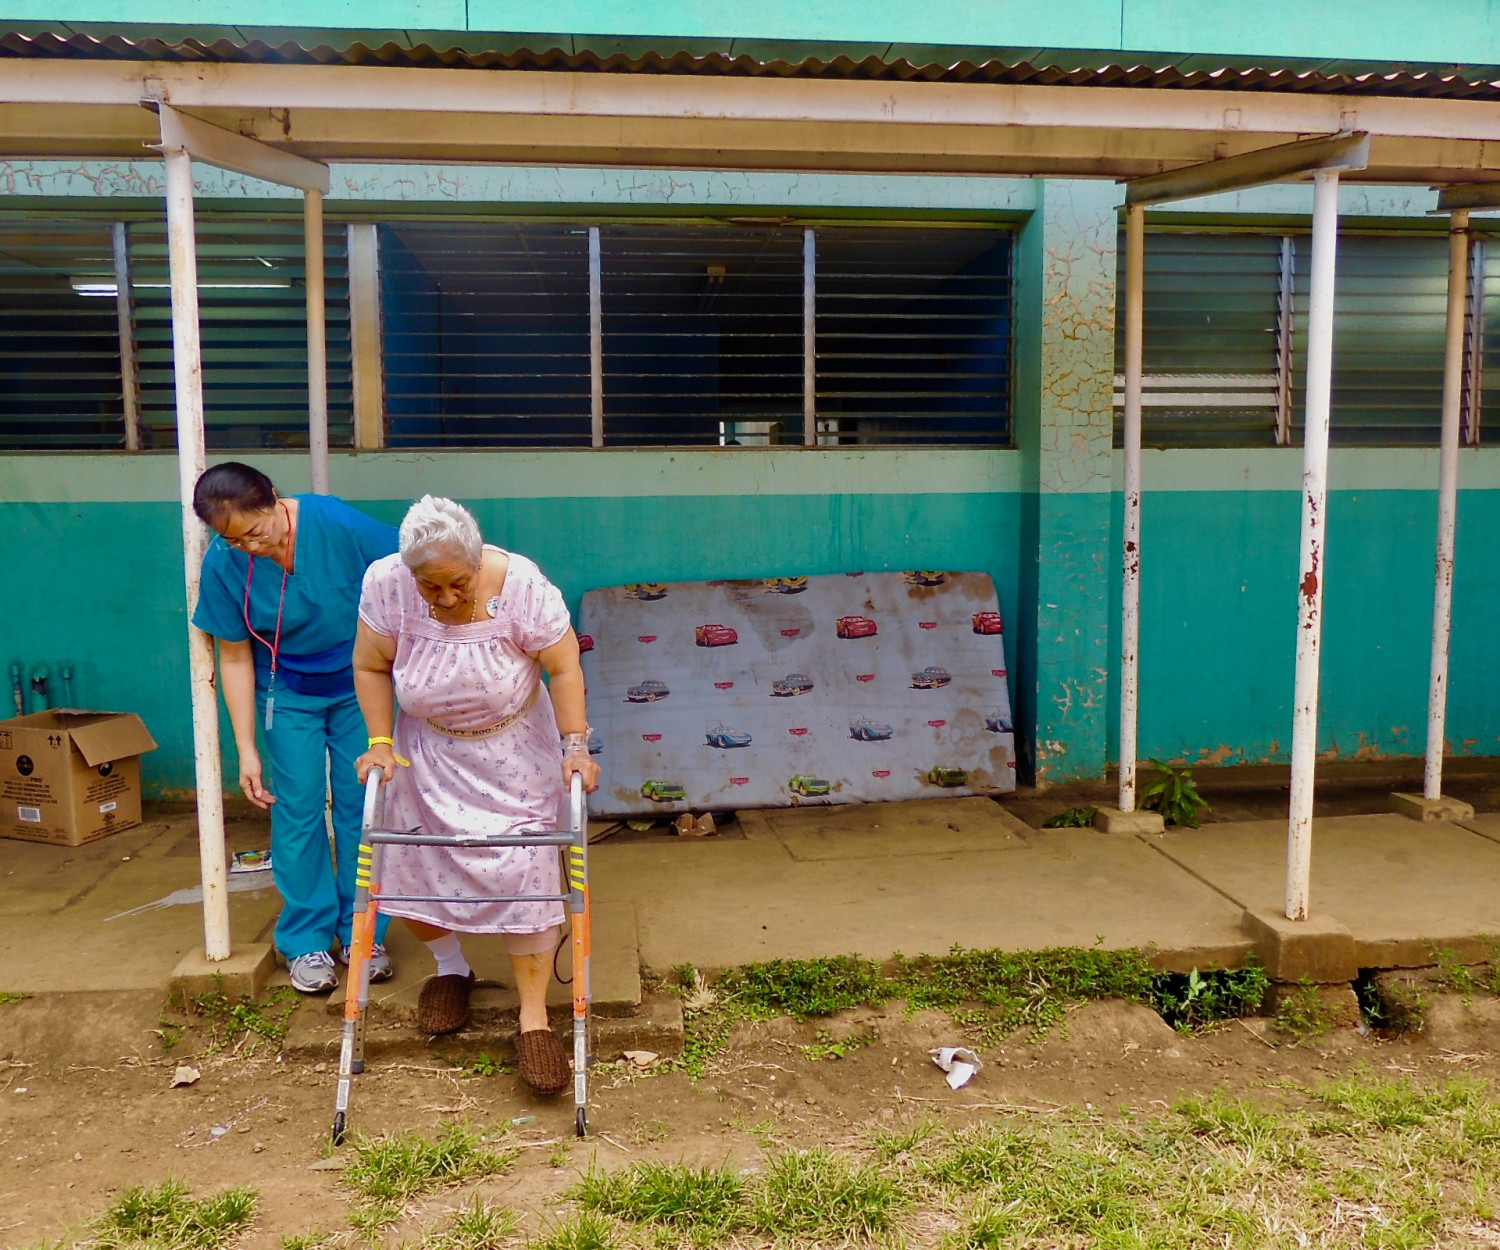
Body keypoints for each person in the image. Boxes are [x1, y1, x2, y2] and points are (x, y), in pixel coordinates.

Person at [353, 496, 599, 1096]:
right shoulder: (385, 583)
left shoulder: (522, 586)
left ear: (476, 559)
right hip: (426, 756)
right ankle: (451, 967)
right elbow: (369, 664)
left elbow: (563, 668)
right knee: (412, 867)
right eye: (427, 585)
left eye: (456, 584)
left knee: (526, 873)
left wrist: (575, 748)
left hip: (514, 751)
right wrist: (380, 740)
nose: (441, 598)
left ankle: (534, 1018)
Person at [191, 463, 399, 994]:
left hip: (361, 683)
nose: (252, 547)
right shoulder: (225, 562)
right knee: (298, 810)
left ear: (275, 502)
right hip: (285, 694)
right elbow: (233, 657)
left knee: (364, 806)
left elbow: (408, 577)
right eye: (236, 541)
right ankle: (305, 939)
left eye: (257, 532)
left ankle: (364, 932)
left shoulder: (336, 525)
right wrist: (245, 748)